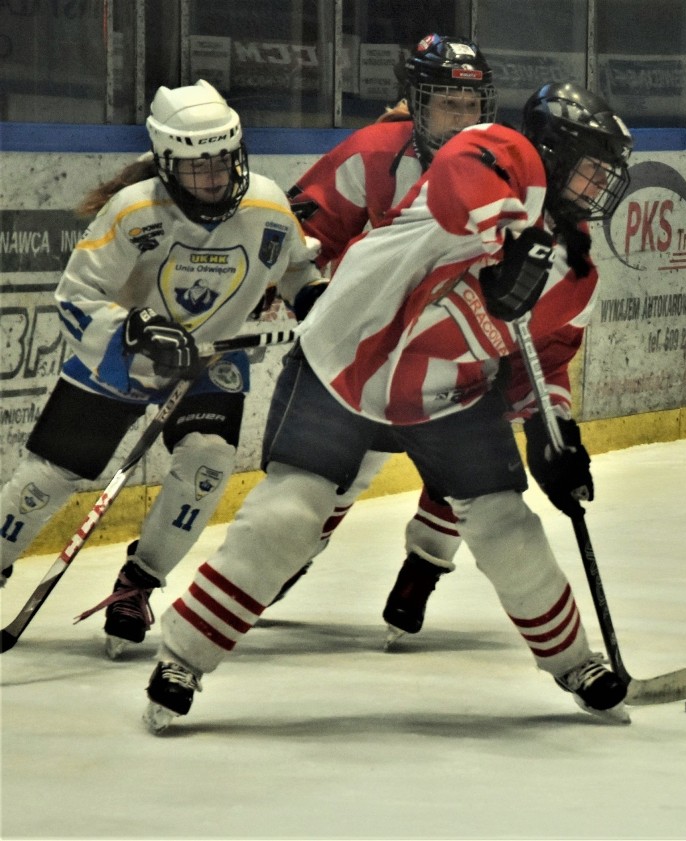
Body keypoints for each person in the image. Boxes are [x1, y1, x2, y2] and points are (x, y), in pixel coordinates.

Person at [140, 80, 634, 735]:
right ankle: (182, 656)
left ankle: (576, 661)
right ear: (557, 149)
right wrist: (510, 245)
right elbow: (461, 176)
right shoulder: (501, 150)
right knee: (289, 515)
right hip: (345, 361)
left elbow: (545, 364)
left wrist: (557, 435)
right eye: (593, 167)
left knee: (506, 525)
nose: (601, 188)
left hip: (448, 397)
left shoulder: (574, 273)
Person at [0, 79, 317, 659]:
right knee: (45, 479)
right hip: (121, 360)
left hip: (211, 363)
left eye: (223, 161)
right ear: (166, 163)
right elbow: (75, 294)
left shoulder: (267, 206)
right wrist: (132, 331)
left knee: (208, 463)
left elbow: (297, 267)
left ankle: (137, 586)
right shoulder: (136, 210)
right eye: (197, 167)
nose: (214, 176)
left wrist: (310, 301)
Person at [277, 33, 498, 644]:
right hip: (372, 344)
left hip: (455, 344)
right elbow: (300, 227)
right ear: (416, 102)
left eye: (471, 105)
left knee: (467, 466)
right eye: (447, 104)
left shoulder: (503, 166)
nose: (462, 119)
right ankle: (291, 554)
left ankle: (423, 571)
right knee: (342, 472)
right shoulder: (374, 153)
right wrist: (304, 285)